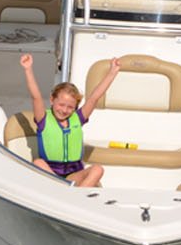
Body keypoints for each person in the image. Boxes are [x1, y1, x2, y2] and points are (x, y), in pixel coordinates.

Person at [20, 53, 123, 188]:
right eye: (61, 105)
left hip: (73, 176)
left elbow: (94, 98)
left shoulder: (78, 119)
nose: (64, 110)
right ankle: (63, 190)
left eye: (70, 107)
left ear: (75, 108)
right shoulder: (43, 119)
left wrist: (112, 72)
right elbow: (36, 97)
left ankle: (74, 196)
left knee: (98, 169)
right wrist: (28, 69)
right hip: (51, 175)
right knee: (38, 163)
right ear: (52, 100)